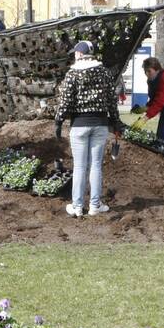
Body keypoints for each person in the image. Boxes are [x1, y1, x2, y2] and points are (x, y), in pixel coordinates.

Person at [54, 41, 124, 218]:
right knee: (96, 166)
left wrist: (59, 120)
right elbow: (111, 101)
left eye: (75, 53)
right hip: (100, 124)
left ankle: (77, 206)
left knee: (79, 166)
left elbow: (66, 101)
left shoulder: (73, 74)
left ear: (79, 54)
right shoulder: (104, 73)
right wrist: (116, 122)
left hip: (79, 125)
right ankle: (95, 205)